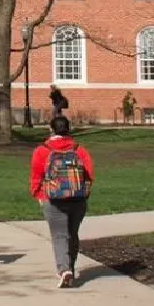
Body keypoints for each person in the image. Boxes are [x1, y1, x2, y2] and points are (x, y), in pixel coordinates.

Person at [29, 115, 95, 288]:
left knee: (59, 235)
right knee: (72, 234)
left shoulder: (42, 150)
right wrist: (84, 194)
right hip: (78, 199)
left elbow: (36, 175)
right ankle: (70, 268)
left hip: (53, 199)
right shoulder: (79, 150)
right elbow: (89, 174)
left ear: (51, 129)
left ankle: (64, 269)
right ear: (69, 129)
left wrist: (39, 195)